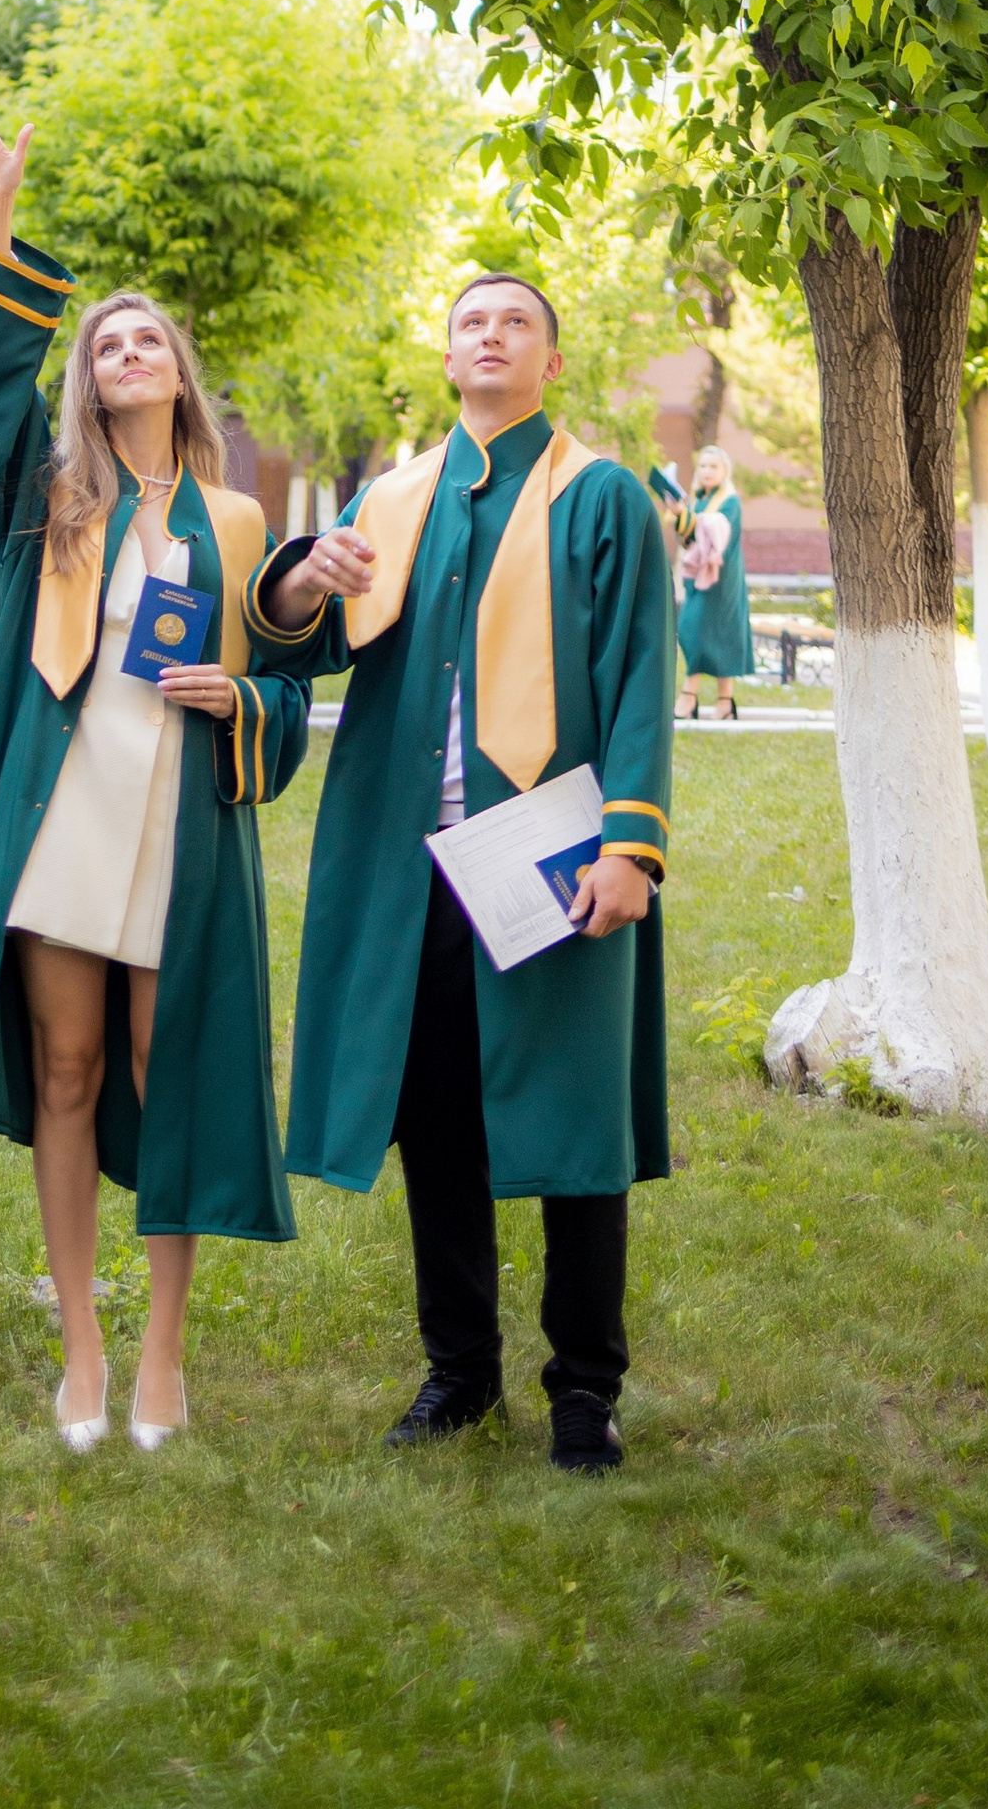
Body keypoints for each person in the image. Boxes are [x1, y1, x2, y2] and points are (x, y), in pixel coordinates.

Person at [0, 99, 308, 1451]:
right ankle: (81, 1353)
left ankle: (165, 1359)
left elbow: (295, 684)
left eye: (148, 341)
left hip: (176, 825)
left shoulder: (236, 519)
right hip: (62, 817)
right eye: (106, 343)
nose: (126, 354)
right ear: (93, 379)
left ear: (180, 374)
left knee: (162, 1067)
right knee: (66, 1071)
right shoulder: (45, 496)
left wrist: (238, 692)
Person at [247, 272, 672, 1476]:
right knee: (436, 1125)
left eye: (514, 323)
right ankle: (461, 1374)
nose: (490, 337)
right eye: (469, 324)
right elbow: (303, 634)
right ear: (447, 361)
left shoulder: (600, 499)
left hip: (549, 852)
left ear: (550, 361)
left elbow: (641, 672)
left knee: (573, 1119)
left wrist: (630, 848)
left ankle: (584, 1389)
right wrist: (294, 580)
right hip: (410, 863)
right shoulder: (393, 499)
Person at [649, 443, 754, 719]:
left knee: (704, 632)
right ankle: (725, 701)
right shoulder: (698, 499)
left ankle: (689, 697)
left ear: (724, 471)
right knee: (705, 632)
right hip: (699, 577)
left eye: (714, 466)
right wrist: (680, 512)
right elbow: (689, 537)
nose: (707, 471)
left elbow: (717, 534)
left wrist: (687, 515)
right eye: (704, 466)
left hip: (722, 578)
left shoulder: (730, 501)